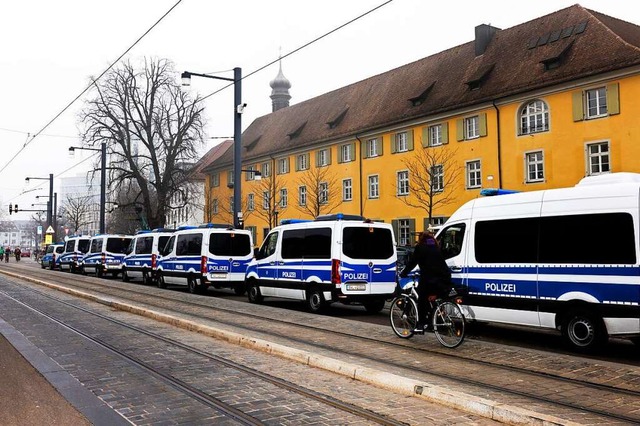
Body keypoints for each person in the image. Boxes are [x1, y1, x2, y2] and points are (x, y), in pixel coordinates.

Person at [400, 229, 452, 332]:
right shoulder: (436, 247)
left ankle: (420, 325)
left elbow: (412, 262)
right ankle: (431, 321)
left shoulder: (420, 247)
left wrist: (404, 273)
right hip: (444, 279)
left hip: (431, 280)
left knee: (421, 299)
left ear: (421, 239)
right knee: (430, 298)